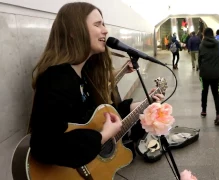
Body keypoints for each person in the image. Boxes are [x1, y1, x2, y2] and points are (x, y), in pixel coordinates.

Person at [29, 2, 164, 169]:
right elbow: (44, 146)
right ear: (74, 32)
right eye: (97, 24)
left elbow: (95, 119)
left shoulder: (84, 74)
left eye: (104, 23)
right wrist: (104, 136)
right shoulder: (56, 79)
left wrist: (141, 105)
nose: (105, 30)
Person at [198, 28, 219, 125]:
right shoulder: (217, 44)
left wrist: (201, 69)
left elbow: (199, 60)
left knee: (204, 91)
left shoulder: (202, 44)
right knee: (216, 93)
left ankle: (204, 110)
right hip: (216, 73)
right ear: (212, 34)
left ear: (204, 34)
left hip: (204, 74)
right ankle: (218, 114)